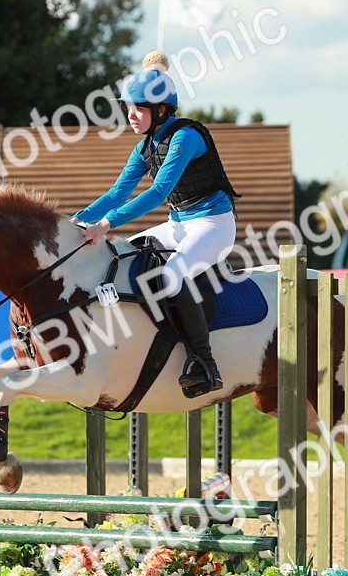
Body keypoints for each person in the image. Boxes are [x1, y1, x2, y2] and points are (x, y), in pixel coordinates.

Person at [74, 50, 239, 398]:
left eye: (138, 109)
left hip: (213, 224)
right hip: (178, 224)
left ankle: (204, 362)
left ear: (161, 110)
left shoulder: (185, 137)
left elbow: (158, 191)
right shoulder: (143, 147)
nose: (131, 116)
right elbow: (117, 193)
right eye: (128, 108)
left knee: (170, 275)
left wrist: (106, 224)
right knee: (120, 258)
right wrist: (75, 222)